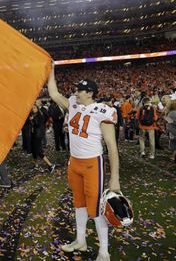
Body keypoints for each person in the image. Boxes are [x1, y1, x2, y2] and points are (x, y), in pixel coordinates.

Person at [48, 62, 120, 261]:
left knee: (96, 208)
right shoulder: (72, 103)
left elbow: (112, 148)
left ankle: (104, 252)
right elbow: (54, 93)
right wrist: (50, 69)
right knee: (78, 204)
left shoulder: (102, 111)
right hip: (74, 162)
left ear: (90, 93)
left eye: (79, 90)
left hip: (92, 164)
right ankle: (81, 240)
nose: (75, 93)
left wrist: (115, 178)